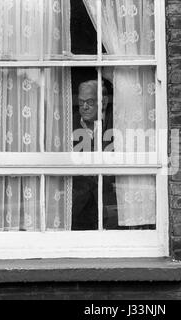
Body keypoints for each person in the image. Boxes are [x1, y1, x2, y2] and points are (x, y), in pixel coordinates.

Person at [71, 80, 118, 230]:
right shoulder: (67, 124)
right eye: (81, 102)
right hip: (77, 209)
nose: (84, 107)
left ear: (102, 102)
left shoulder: (114, 124)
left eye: (90, 102)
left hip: (108, 205)